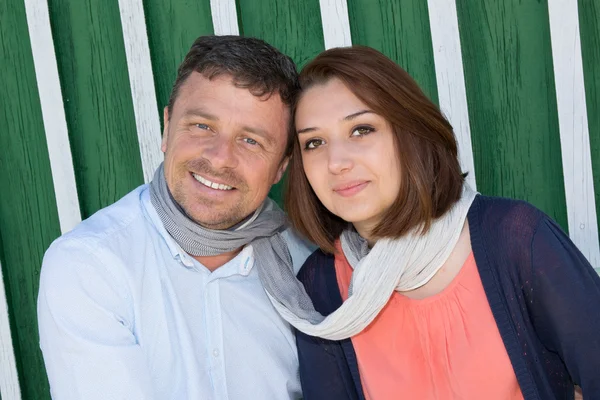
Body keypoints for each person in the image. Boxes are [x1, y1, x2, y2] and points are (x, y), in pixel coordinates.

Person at [263, 46, 600, 399]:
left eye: (361, 130)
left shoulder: (514, 239)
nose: (336, 162)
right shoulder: (321, 287)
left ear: (409, 133)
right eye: (314, 142)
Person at [37, 35, 314, 400]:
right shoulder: (91, 265)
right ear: (167, 127)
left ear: (281, 166)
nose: (219, 158)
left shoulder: (310, 264)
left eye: (251, 141)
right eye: (202, 126)